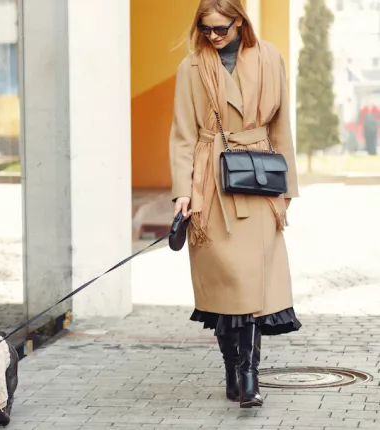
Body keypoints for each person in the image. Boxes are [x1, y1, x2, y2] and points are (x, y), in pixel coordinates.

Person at [168, 0, 301, 408]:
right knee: (227, 285)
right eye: (206, 29)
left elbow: (281, 126)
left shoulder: (269, 57)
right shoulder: (191, 67)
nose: (213, 36)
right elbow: (183, 135)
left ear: (240, 21)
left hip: (259, 180)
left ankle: (249, 375)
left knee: (252, 284)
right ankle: (232, 368)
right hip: (212, 183)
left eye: (221, 29)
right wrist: (183, 194)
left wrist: (287, 189)